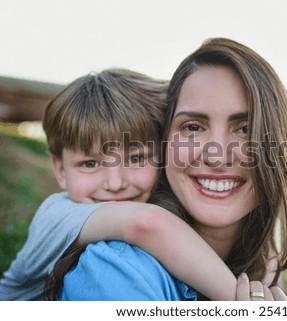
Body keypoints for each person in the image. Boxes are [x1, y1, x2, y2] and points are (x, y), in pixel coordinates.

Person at [58, 38, 287, 301]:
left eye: (245, 129)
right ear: (164, 143)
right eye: (193, 127)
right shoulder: (119, 269)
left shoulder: (262, 263)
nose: (216, 157)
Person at [0, 68, 239, 301]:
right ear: (61, 170)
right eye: (90, 163)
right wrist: (245, 303)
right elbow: (147, 223)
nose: (115, 184)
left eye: (136, 159)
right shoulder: (56, 215)